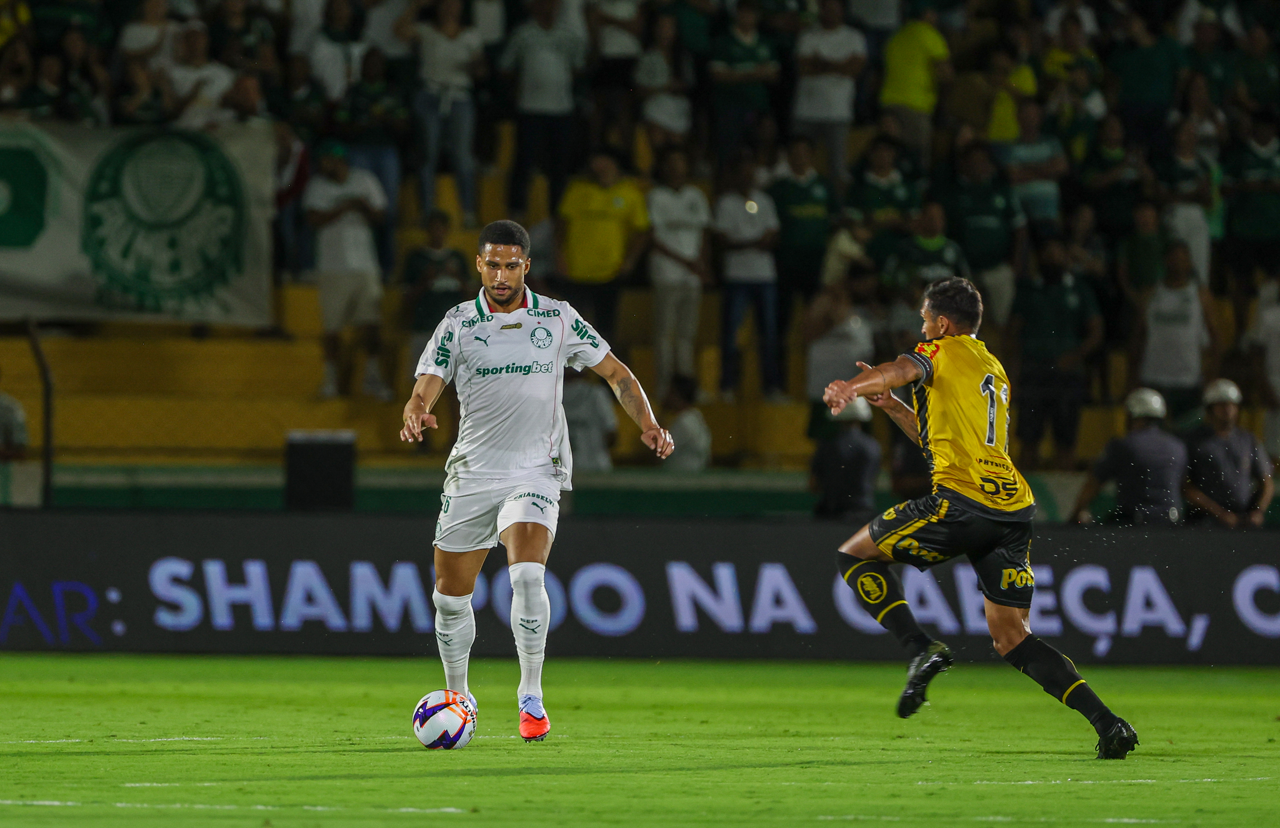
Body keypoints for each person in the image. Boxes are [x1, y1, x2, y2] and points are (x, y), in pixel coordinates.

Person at [823, 277, 1138, 759]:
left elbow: (894, 368)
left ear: (942, 324)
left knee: (854, 556)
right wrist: (892, 409)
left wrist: (851, 387)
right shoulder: (992, 367)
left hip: (960, 503)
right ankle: (1108, 723)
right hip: (1011, 510)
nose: (922, 328)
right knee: (1013, 637)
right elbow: (940, 441)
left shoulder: (939, 352)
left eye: (926, 320)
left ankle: (920, 648)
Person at [400, 220, 673, 742]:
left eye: (511, 264)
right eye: (492, 264)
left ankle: (531, 695)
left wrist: (649, 424)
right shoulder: (457, 323)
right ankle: (459, 695)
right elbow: (424, 387)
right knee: (449, 598)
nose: (501, 274)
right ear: (478, 265)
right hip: (474, 471)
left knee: (527, 576)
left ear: (526, 265)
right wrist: (416, 412)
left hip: (536, 469)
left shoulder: (557, 317)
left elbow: (616, 373)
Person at [303, 140, 395, 402]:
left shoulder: (364, 180)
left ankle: (373, 379)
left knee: (372, 326)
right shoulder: (317, 186)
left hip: (365, 265)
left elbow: (380, 216)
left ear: (338, 160)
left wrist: (361, 205)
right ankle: (331, 382)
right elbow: (313, 219)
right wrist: (345, 206)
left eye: (326, 160)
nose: (323, 166)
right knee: (331, 329)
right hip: (332, 268)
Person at [1009, 240, 1103, 471]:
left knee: (1066, 440)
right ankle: (1023, 500)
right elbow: (1012, 332)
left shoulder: (1079, 289)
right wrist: (1012, 371)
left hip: (1068, 375)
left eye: (1057, 254)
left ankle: (1063, 499)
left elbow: (1096, 331)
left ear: (1066, 257)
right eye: (1047, 255)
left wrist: (1075, 356)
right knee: (1028, 440)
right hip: (1034, 373)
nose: (1052, 259)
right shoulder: (1029, 290)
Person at [396, 0, 484, 226]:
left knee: (463, 158)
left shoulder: (471, 35)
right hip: (430, 95)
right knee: (427, 156)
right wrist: (416, 6)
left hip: (459, 96)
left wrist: (476, 67)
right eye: (445, 4)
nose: (449, 8)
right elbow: (399, 31)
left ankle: (468, 212)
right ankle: (426, 212)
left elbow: (481, 71)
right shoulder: (426, 31)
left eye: (454, 4)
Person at [555, 148, 650, 345]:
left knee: (606, 326)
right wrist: (560, 256)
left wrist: (630, 261)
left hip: (611, 270)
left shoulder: (630, 193)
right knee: (572, 327)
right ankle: (573, 375)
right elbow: (561, 226)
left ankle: (601, 374)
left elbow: (641, 231)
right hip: (577, 269)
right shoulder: (577, 190)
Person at [500, 0, 585, 219]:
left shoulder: (568, 35)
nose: (548, 6)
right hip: (530, 108)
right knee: (524, 162)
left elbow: (577, 67)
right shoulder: (522, 34)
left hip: (561, 108)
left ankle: (557, 215)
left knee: (559, 166)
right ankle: (516, 210)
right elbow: (506, 67)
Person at [934, 142, 1027, 335]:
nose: (979, 165)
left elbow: (1020, 229)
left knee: (1003, 324)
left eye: (983, 161)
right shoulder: (953, 193)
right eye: (974, 161)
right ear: (964, 164)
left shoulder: (1002, 190)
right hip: (962, 271)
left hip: (998, 268)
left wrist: (1016, 264)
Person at [333, 48, 409, 276]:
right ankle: (365, 266)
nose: (372, 67)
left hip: (386, 152)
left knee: (387, 210)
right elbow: (340, 125)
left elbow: (404, 125)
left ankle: (387, 268)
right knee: (363, 209)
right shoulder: (353, 92)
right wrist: (365, 124)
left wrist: (386, 120)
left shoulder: (392, 92)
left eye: (377, 63)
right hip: (359, 151)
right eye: (368, 63)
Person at [715, 151, 783, 402]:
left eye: (750, 172)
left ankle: (772, 387)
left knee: (769, 334)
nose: (747, 177)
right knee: (731, 334)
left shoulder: (765, 200)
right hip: (736, 276)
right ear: (734, 175)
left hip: (765, 276)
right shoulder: (725, 203)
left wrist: (742, 242)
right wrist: (756, 241)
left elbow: (773, 237)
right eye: (742, 172)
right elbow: (722, 240)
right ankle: (727, 386)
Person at [1070, 388, 1188, 525]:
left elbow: (1093, 485)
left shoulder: (1123, 445)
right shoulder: (1178, 446)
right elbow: (1183, 486)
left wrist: (1074, 516)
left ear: (1130, 415)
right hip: (1172, 522)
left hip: (1134, 524)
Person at [647, 147, 711, 400]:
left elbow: (704, 234)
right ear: (663, 167)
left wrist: (701, 265)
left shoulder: (696, 195)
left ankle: (686, 391)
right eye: (671, 162)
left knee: (686, 336)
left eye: (680, 161)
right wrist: (688, 262)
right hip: (666, 273)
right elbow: (653, 237)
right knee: (665, 335)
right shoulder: (656, 196)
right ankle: (664, 388)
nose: (676, 167)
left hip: (691, 276)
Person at [769, 135, 838, 366]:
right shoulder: (778, 190)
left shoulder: (824, 186)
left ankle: (817, 374)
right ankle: (779, 379)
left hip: (816, 265)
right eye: (794, 153)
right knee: (782, 324)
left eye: (804, 153)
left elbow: (835, 222)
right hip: (786, 264)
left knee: (818, 322)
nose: (799, 158)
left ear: (811, 156)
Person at [1132, 241, 1218, 423]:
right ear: (1165, 261)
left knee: (1188, 440)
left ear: (1190, 262)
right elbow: (1137, 338)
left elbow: (1216, 337)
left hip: (1188, 381)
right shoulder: (1150, 294)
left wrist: (1212, 375)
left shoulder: (1200, 295)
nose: (1178, 262)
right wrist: (1132, 377)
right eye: (1174, 258)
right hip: (1153, 378)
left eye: (1183, 258)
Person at [791, 0, 865, 196]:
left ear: (842, 10)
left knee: (838, 168)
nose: (831, 11)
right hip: (806, 111)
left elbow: (854, 69)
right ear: (821, 9)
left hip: (838, 112)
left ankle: (838, 212)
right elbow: (803, 68)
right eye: (827, 7)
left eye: (835, 6)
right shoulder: (808, 35)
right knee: (798, 164)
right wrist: (839, 65)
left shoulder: (853, 37)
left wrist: (821, 63)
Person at [1183, 379, 1275, 528]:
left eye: (1232, 404)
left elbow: (1267, 481)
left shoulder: (1248, 440)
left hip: (1243, 519)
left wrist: (1259, 511)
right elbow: (1186, 486)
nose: (1227, 409)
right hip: (1204, 521)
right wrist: (1219, 513)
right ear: (1210, 409)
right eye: (1221, 405)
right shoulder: (1194, 441)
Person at [877, 1, 950, 168]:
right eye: (933, 12)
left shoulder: (895, 36)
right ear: (926, 14)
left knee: (892, 159)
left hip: (888, 103)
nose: (936, 17)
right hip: (914, 105)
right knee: (917, 161)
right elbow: (946, 74)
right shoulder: (928, 33)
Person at [708, 0, 778, 172]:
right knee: (729, 153)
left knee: (758, 151)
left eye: (751, 13)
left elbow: (774, 75)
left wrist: (738, 73)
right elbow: (717, 75)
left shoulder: (765, 43)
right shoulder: (723, 42)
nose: (747, 17)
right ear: (736, 14)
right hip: (730, 109)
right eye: (743, 12)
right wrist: (753, 74)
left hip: (758, 108)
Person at [403, 209, 471, 362]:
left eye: (441, 228)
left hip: (455, 330)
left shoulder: (458, 257)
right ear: (426, 230)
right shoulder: (416, 258)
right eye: (433, 228)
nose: (437, 232)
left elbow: (471, 295)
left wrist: (457, 276)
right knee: (424, 381)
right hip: (424, 327)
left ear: (447, 230)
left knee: (459, 381)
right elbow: (407, 298)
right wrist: (425, 280)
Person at [1001, 99, 1069, 239]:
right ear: (1018, 117)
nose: (1030, 119)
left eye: (1033, 115)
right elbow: (1013, 176)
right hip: (1020, 218)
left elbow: (1061, 168)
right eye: (1026, 114)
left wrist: (1025, 168)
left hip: (1049, 214)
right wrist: (1046, 170)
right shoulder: (1010, 147)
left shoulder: (1052, 143)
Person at [811, 396, 879, 523]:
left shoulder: (827, 446)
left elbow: (813, 485)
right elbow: (873, 481)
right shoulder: (872, 446)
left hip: (831, 515)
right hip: (863, 514)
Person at [562, 369, 618, 473]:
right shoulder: (596, 393)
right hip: (596, 465)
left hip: (563, 469)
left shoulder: (549, 396)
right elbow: (612, 434)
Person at [1247, 295, 1280, 461]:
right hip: (1275, 385)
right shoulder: (1269, 316)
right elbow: (1256, 354)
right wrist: (1264, 386)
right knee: (1274, 447)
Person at [663, 374, 711, 472]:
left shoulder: (683, 422)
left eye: (671, 392)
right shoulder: (697, 417)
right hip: (694, 477)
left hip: (681, 480)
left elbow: (660, 454)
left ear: (677, 395)